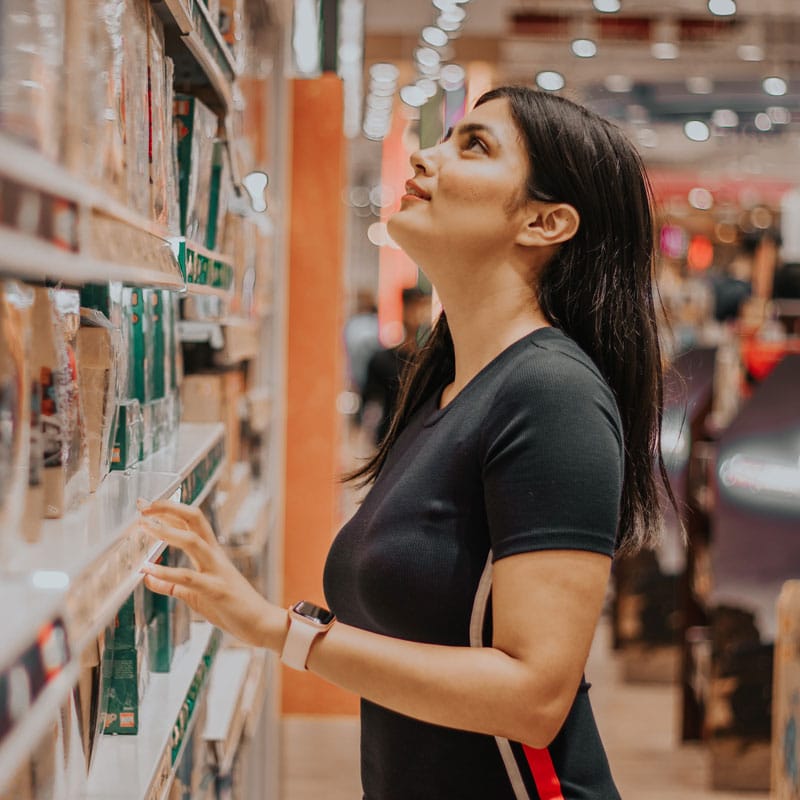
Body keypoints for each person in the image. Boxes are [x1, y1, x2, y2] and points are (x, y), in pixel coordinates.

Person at [140, 86, 673, 799]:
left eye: (473, 145)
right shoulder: (446, 387)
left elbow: (534, 700)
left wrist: (281, 630)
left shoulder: (554, 397)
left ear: (546, 222)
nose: (426, 155)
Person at [361, 286, 430, 444]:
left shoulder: (429, 362)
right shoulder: (382, 360)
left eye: (420, 306)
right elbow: (371, 403)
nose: (417, 313)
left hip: (418, 438)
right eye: (413, 306)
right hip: (388, 438)